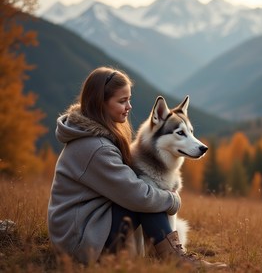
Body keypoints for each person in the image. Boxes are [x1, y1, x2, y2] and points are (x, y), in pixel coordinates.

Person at [47, 66, 226, 269]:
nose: (129, 106)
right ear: (100, 103)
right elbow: (138, 196)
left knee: (149, 194)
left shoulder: (94, 138)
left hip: (83, 229)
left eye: (129, 99)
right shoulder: (96, 148)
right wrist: (172, 199)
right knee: (148, 196)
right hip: (80, 244)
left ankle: (173, 258)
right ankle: (178, 262)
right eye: (122, 101)